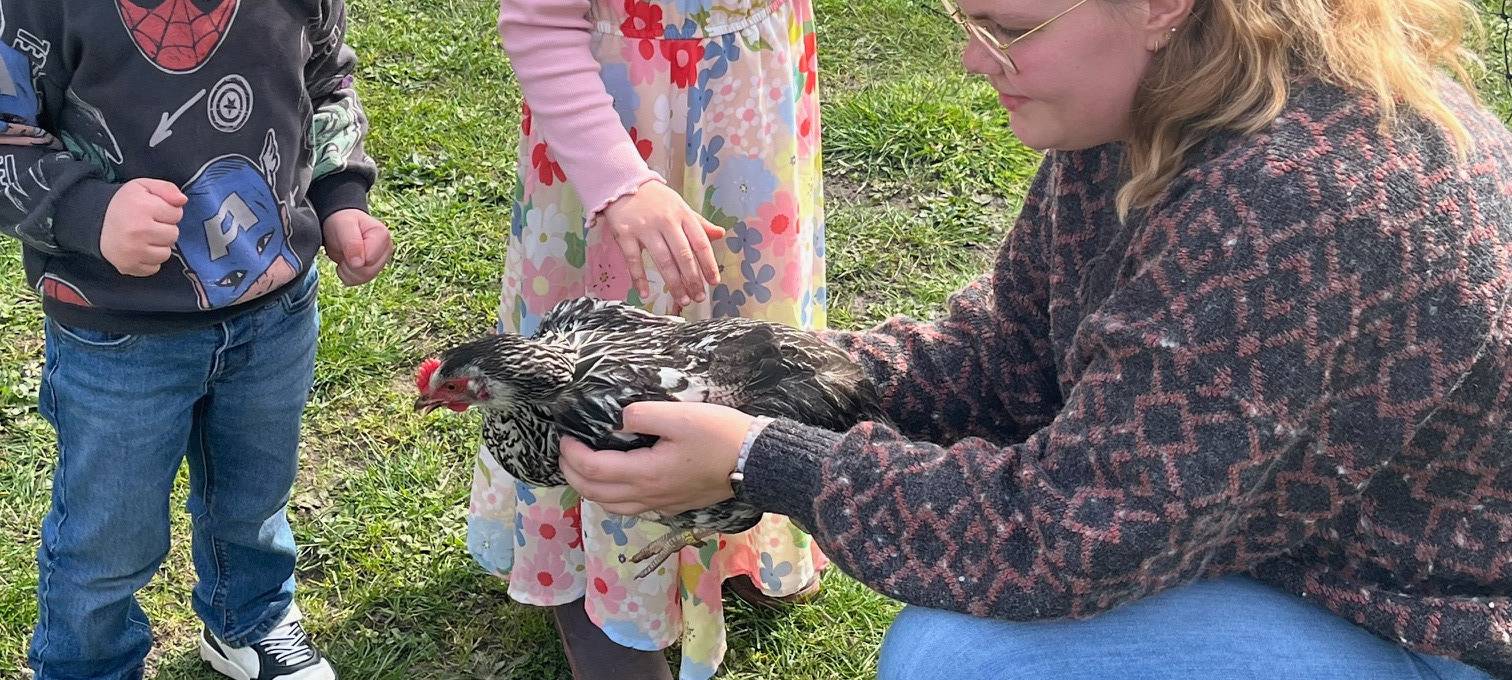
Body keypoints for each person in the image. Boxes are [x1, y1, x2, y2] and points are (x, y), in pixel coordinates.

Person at [556, 0, 1512, 677]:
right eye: (963, 20)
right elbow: (1011, 356)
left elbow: (1071, 534)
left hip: (1418, 620)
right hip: (1274, 540)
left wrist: (762, 461)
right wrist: (763, 376)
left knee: (962, 662)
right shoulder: (1153, 111)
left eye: (1007, 30)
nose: (973, 60)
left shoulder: (1298, 205)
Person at [0, 1, 391, 678]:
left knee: (254, 497)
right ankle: (88, 664)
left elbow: (326, 81)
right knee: (109, 537)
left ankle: (251, 620)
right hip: (119, 331)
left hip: (276, 312)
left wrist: (340, 198)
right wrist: (90, 212)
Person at [466, 0, 829, 677]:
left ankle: (734, 532)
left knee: (746, 342)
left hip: (748, 109)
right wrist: (619, 183)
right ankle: (599, 584)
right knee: (592, 379)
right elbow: (539, 22)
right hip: (615, 137)